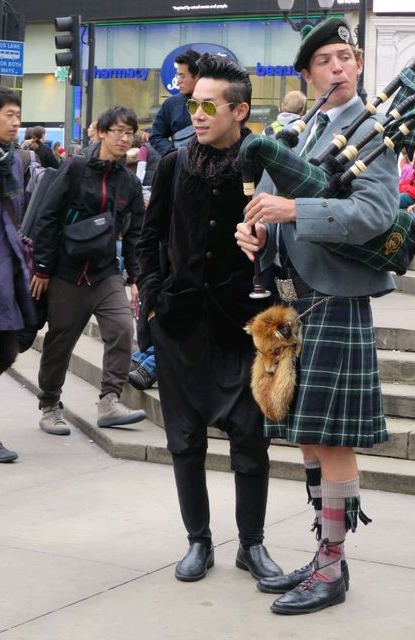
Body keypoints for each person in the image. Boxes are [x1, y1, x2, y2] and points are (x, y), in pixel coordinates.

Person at [236, 17, 398, 615]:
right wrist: (250, 230)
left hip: (334, 299)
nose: (340, 66)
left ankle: (332, 565)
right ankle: (325, 551)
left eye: (347, 56)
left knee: (330, 437)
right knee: (303, 431)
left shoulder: (374, 133)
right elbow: (268, 208)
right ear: (307, 74)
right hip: (291, 299)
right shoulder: (303, 130)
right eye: (326, 59)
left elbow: (377, 213)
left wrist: (293, 208)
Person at [137, 56, 283, 586]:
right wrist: (151, 297)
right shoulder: (174, 164)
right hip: (179, 325)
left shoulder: (263, 167)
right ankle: (198, 541)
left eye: (207, 105)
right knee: (184, 440)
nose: (195, 113)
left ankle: (252, 544)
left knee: (250, 438)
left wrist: (269, 245)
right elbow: (147, 236)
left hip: (243, 328)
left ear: (240, 111)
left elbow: (291, 241)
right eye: (191, 102)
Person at [30, 105, 147, 436]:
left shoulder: (129, 183)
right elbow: (48, 217)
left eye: (130, 133)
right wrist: (42, 267)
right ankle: (50, 404)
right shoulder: (76, 168)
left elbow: (136, 234)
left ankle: (110, 400)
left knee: (123, 328)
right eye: (118, 132)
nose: (125, 139)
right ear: (102, 132)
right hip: (67, 272)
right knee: (60, 341)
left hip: (106, 271)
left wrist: (136, 278)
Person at [0, 87, 35, 463]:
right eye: (9, 115)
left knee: (7, 352)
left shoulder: (15, 161)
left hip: (6, 267)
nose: (16, 122)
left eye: (19, 115)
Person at [150, 50, 201, 156]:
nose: (178, 81)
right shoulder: (171, 104)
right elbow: (156, 136)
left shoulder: (216, 100)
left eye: (182, 76)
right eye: (178, 76)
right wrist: (175, 154)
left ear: (197, 76)